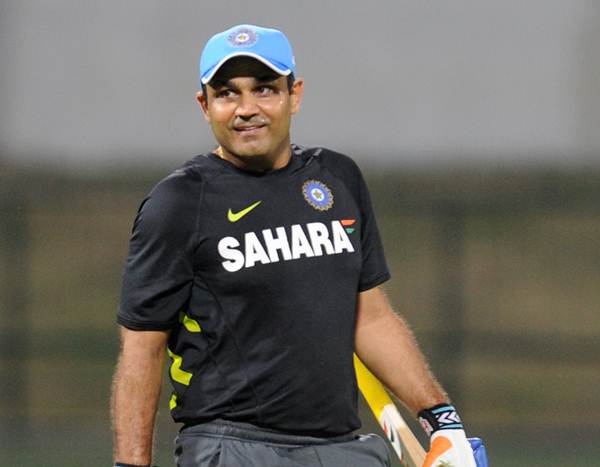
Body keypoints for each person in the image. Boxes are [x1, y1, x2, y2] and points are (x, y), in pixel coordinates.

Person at [111, 24, 478, 467]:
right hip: (233, 445)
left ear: (295, 95)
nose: (247, 108)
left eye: (264, 89)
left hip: (341, 448)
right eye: (227, 94)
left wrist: (442, 421)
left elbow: (371, 319)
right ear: (205, 106)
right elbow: (142, 348)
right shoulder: (179, 203)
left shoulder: (338, 178)